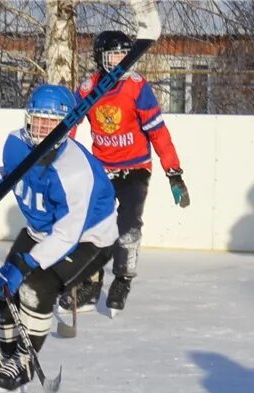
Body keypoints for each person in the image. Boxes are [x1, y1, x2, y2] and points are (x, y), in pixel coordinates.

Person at [0, 84, 118, 393]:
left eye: (51, 123)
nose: (42, 128)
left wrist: (27, 263)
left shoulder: (74, 171)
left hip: (88, 239)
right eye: (38, 120)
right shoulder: (18, 142)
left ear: (65, 127)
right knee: (3, 295)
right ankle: (5, 360)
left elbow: (68, 234)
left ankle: (24, 363)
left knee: (34, 289)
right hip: (40, 230)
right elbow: (11, 171)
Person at [70, 28, 186, 314]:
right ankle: (91, 281)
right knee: (93, 225)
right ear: (101, 59)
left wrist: (174, 172)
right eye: (114, 56)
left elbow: (158, 131)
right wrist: (57, 157)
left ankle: (122, 279)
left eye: (126, 55)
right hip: (102, 169)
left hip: (135, 167)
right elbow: (70, 124)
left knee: (128, 224)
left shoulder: (136, 87)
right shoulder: (88, 88)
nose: (121, 62)